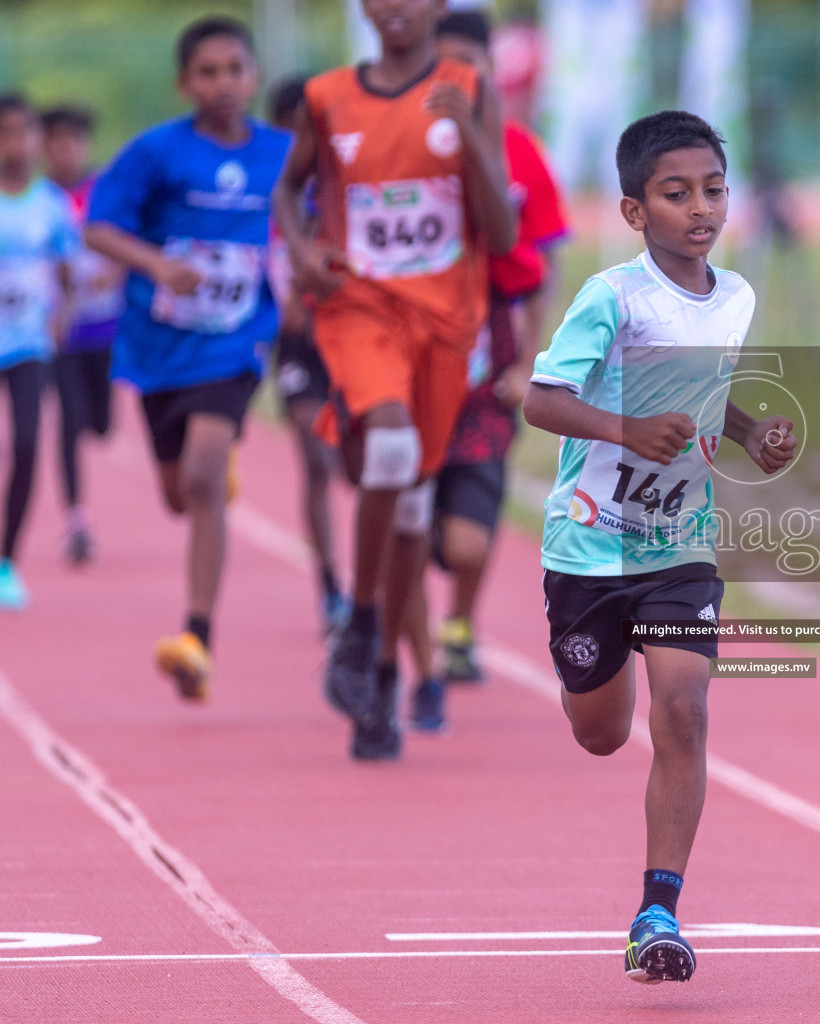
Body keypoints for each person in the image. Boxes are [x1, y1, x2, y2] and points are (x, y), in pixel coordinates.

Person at [522, 110, 796, 985]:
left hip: (680, 544)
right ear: (636, 211)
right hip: (590, 545)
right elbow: (541, 399)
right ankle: (590, 694)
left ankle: (657, 913)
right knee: (601, 734)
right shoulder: (611, 296)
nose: (701, 209)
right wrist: (624, 429)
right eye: (676, 195)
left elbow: (704, 396)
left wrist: (752, 435)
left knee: (684, 712)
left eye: (713, 190)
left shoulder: (738, 296)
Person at [273, 0, 514, 760]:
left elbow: (501, 235)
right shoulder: (326, 96)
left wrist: (471, 137)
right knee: (388, 450)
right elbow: (288, 191)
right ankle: (364, 620)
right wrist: (302, 251)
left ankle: (376, 676)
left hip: (444, 325)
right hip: (360, 308)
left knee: (413, 499)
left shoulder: (469, 87)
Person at [86, 17, 290, 699]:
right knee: (181, 496)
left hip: (234, 344)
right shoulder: (156, 152)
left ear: (254, 76)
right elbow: (99, 227)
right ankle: (212, 463)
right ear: (184, 83)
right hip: (157, 348)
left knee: (202, 481)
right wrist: (156, 264)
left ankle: (196, 634)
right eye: (208, 72)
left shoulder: (285, 155)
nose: (223, 83)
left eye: (235, 68)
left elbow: (320, 217)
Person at [403, 8, 571, 731]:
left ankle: (460, 624)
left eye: (469, 67)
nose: (456, 82)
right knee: (409, 522)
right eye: (441, 66)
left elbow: (542, 262)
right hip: (405, 362)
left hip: (488, 361)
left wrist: (532, 357)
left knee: (465, 537)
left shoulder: (519, 154)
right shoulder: (399, 143)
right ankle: (399, 651)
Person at [266, 75, 350, 636]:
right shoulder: (269, 187)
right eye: (296, 126)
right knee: (315, 460)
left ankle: (373, 587)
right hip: (297, 343)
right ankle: (329, 589)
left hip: (352, 336)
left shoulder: (347, 176)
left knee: (359, 464)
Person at [0, 93, 78, 610]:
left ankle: (5, 563)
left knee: (26, 446)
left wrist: (61, 319)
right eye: (4, 133)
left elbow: (67, 276)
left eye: (24, 133)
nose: (16, 144)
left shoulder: (52, 205)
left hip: (28, 344)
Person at [42, 104, 124, 567]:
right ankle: (76, 518)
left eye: (73, 140)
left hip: (103, 326)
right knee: (69, 424)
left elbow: (129, 238)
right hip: (59, 331)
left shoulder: (105, 190)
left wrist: (114, 270)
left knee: (100, 424)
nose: (65, 150)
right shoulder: (38, 198)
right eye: (55, 141)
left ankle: (98, 421)